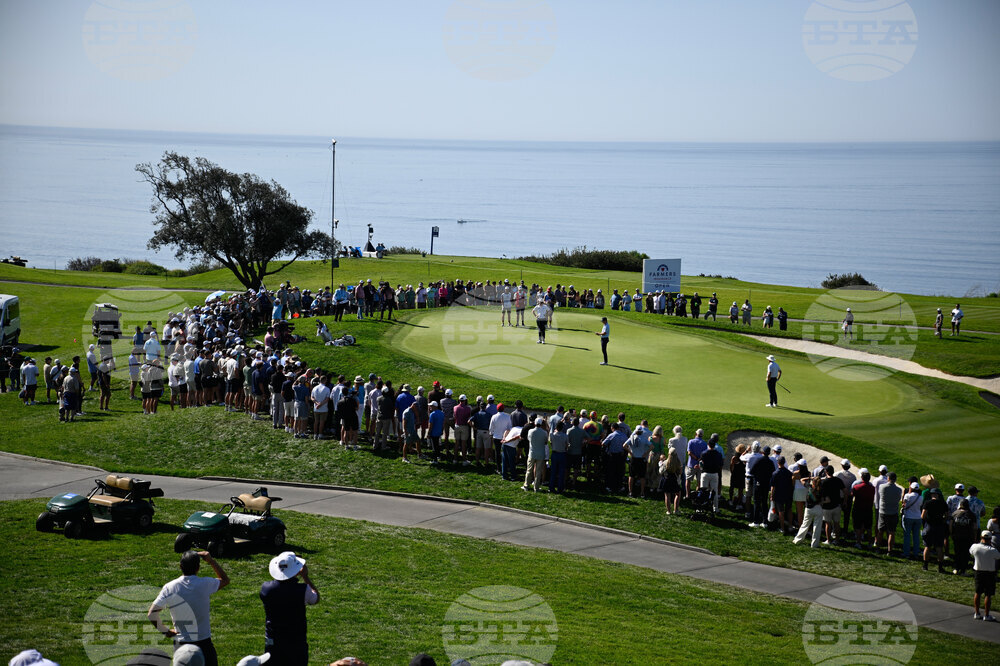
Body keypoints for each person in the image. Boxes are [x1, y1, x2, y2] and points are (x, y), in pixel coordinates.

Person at [148, 550, 230, 666]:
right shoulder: (205, 584)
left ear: (180, 566)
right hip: (204, 644)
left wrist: (165, 631)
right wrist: (211, 561)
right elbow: (225, 580)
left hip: (181, 646)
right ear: (198, 568)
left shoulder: (170, 587)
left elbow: (151, 614)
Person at [259, 551, 319, 664]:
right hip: (296, 643)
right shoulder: (303, 590)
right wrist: (305, 576)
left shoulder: (266, 588)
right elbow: (315, 598)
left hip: (274, 642)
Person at [971, 529, 1000, 621]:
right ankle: (987, 615)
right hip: (990, 573)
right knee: (988, 595)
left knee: (978, 593)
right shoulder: (993, 550)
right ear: (990, 539)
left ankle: (977, 613)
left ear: (981, 537)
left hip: (978, 572)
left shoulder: (975, 547)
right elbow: (998, 556)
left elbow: (971, 552)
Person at [922, 488, 949, 573]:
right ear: (938, 495)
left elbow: (923, 515)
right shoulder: (943, 503)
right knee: (939, 547)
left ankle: (925, 565)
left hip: (929, 526)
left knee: (927, 546)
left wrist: (928, 520)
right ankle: (940, 567)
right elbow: (947, 515)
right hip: (939, 526)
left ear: (931, 495)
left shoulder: (928, 503)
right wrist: (942, 521)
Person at [793, 476, 824, 548]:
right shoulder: (821, 489)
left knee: (805, 525)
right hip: (818, 508)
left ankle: (798, 540)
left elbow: (801, 479)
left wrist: (810, 478)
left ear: (813, 481)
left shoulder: (809, 487)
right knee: (817, 527)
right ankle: (814, 544)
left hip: (809, 509)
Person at [952, 499, 978, 576]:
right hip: (968, 536)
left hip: (957, 536)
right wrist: (975, 537)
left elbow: (950, 525)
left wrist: (951, 533)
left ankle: (956, 568)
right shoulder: (971, 514)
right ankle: (963, 570)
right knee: (965, 554)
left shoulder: (955, 513)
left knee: (957, 552)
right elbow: (975, 527)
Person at [522, 417, 548, 492]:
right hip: (540, 454)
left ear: (535, 423)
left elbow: (528, 439)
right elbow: (546, 442)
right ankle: (536, 487)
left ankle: (526, 485)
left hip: (532, 453)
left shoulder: (530, 431)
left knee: (529, 470)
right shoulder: (544, 433)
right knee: (538, 471)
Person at [901, 481, 924, 560]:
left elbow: (904, 505)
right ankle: (916, 553)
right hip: (918, 517)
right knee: (916, 536)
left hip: (908, 517)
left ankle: (906, 553)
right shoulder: (921, 497)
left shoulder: (907, 495)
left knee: (907, 536)